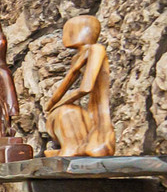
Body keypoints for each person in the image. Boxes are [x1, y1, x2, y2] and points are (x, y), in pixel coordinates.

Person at [43, 14, 114, 158]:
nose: (64, 36)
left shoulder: (96, 49)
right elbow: (64, 86)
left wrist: (57, 105)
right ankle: (73, 145)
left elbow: (85, 88)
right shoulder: (78, 56)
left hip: (99, 115)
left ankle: (74, 147)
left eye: (68, 31)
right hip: (89, 112)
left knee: (65, 111)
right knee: (60, 112)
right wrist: (50, 106)